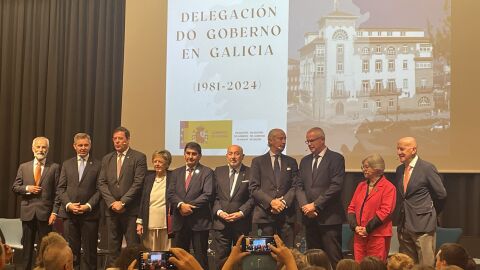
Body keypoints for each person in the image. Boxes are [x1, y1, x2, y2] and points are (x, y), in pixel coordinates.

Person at [296, 127, 345, 267]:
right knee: (312, 260)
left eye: (312, 141)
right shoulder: (304, 161)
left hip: (329, 218)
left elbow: (336, 186)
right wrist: (306, 206)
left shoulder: (336, 158)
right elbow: (299, 187)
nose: (309, 144)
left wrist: (315, 205)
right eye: (307, 141)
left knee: (333, 257)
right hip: (309, 217)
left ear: (322, 139)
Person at [98, 127, 147, 266]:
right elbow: (101, 183)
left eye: (120, 138)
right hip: (112, 211)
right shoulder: (107, 158)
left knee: (132, 249)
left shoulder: (139, 157)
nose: (117, 141)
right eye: (115, 139)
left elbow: (138, 183)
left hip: (130, 211)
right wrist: (112, 202)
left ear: (128, 139)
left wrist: (123, 202)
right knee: (113, 249)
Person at [395, 137, 447, 266]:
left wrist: (430, 212)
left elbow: (441, 195)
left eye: (402, 149)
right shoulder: (399, 170)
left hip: (423, 225)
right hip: (404, 225)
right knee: (406, 265)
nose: (398, 152)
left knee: (425, 265)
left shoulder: (427, 168)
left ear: (413, 150)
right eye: (397, 149)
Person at [11, 136, 61, 270]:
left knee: (45, 248)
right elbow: (15, 187)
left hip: (46, 215)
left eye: (44, 147)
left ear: (48, 150)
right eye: (38, 147)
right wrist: (27, 188)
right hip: (28, 213)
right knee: (27, 248)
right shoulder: (24, 166)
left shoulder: (54, 167)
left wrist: (54, 212)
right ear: (33, 149)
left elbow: (58, 193)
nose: (41, 149)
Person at [57, 133, 101, 270]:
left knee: (90, 253)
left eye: (86, 145)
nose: (83, 148)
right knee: (71, 253)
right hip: (69, 215)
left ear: (90, 145)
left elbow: (100, 190)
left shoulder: (99, 164)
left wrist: (88, 206)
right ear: (74, 146)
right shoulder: (66, 164)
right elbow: (61, 188)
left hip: (90, 215)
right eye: (80, 145)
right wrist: (69, 205)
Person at [167, 142, 214, 270]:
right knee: (179, 258)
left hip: (199, 222)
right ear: (184, 155)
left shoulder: (207, 172)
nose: (190, 157)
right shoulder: (176, 172)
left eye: (194, 154)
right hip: (180, 221)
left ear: (199, 156)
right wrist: (181, 205)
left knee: (200, 258)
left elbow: (208, 194)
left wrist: (188, 206)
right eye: (188, 153)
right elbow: (170, 194)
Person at [250, 128, 298, 247]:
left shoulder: (291, 162)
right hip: (264, 216)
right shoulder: (258, 161)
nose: (284, 141)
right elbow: (254, 187)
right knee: (264, 255)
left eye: (285, 138)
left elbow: (295, 186)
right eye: (280, 138)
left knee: (287, 254)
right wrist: (271, 202)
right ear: (270, 140)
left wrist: (282, 202)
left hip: (286, 216)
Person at [347, 154, 396, 262]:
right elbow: (351, 208)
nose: (363, 170)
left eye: (366, 167)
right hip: (359, 235)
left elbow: (385, 211)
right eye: (363, 167)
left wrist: (367, 229)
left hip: (378, 235)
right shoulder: (361, 186)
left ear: (377, 168)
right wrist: (355, 227)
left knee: (375, 265)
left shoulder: (389, 187)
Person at [212, 145, 254, 269]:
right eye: (230, 154)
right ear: (226, 156)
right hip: (221, 223)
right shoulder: (218, 171)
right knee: (221, 259)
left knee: (242, 258)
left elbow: (253, 197)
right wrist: (219, 212)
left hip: (241, 223)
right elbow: (213, 196)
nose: (233, 157)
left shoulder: (250, 172)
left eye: (237, 154)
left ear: (242, 156)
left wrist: (241, 213)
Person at [136, 150, 173, 251]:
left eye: (160, 162)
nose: (157, 164)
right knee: (150, 253)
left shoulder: (173, 177)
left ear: (167, 163)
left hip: (166, 223)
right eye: (155, 161)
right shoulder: (148, 178)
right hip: (149, 222)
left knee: (166, 252)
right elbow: (143, 201)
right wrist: (139, 222)